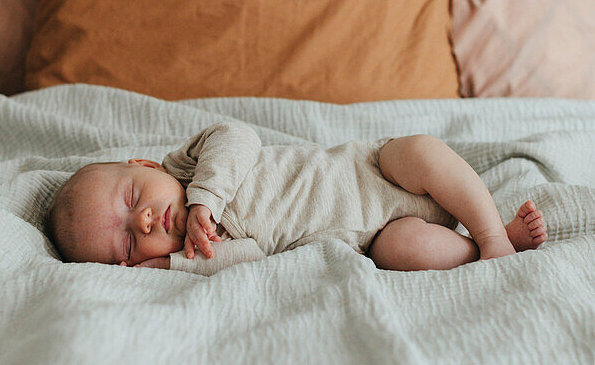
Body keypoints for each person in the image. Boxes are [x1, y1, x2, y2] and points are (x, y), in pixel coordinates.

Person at [44, 120, 547, 275]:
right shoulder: (190, 253)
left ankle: (487, 230)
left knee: (420, 151)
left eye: (134, 199)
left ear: (146, 167)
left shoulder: (188, 166)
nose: (147, 222)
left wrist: (207, 200)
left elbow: (239, 137)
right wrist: (169, 267)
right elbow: (253, 256)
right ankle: (487, 246)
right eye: (130, 245)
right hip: (376, 237)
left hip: (373, 169)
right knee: (404, 254)